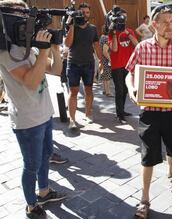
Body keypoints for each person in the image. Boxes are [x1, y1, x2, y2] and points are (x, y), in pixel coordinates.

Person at [125, 5, 172, 219]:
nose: (170, 26)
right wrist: (132, 90)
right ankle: (144, 199)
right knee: (148, 156)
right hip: (150, 112)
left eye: (171, 21)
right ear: (154, 24)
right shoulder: (143, 48)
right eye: (165, 22)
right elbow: (129, 74)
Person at [0, 1, 66, 218]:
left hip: (44, 112)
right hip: (27, 120)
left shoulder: (30, 44)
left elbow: (55, 70)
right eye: (22, 16)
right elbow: (30, 81)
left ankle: (44, 191)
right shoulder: (6, 52)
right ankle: (31, 205)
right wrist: (43, 50)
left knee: (46, 155)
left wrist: (54, 49)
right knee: (31, 165)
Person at [64, 2, 102, 130]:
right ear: (78, 13)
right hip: (73, 63)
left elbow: (96, 45)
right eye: (82, 13)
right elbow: (68, 44)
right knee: (73, 92)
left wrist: (101, 61)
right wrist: (72, 26)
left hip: (88, 64)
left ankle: (88, 113)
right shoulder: (70, 26)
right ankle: (72, 120)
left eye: (87, 12)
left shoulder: (92, 28)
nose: (85, 15)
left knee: (89, 90)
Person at [108, 7, 138, 123]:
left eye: (124, 18)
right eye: (121, 18)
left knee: (125, 90)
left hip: (128, 66)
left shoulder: (129, 31)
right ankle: (119, 114)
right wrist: (114, 34)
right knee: (119, 90)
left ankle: (122, 110)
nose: (123, 20)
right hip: (116, 66)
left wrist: (127, 33)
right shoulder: (112, 32)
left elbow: (137, 44)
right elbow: (114, 49)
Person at [99, 25, 113, 97]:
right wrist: (110, 59)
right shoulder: (107, 38)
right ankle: (108, 92)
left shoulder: (102, 37)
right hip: (106, 59)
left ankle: (105, 90)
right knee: (107, 76)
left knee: (104, 75)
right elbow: (105, 51)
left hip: (102, 59)